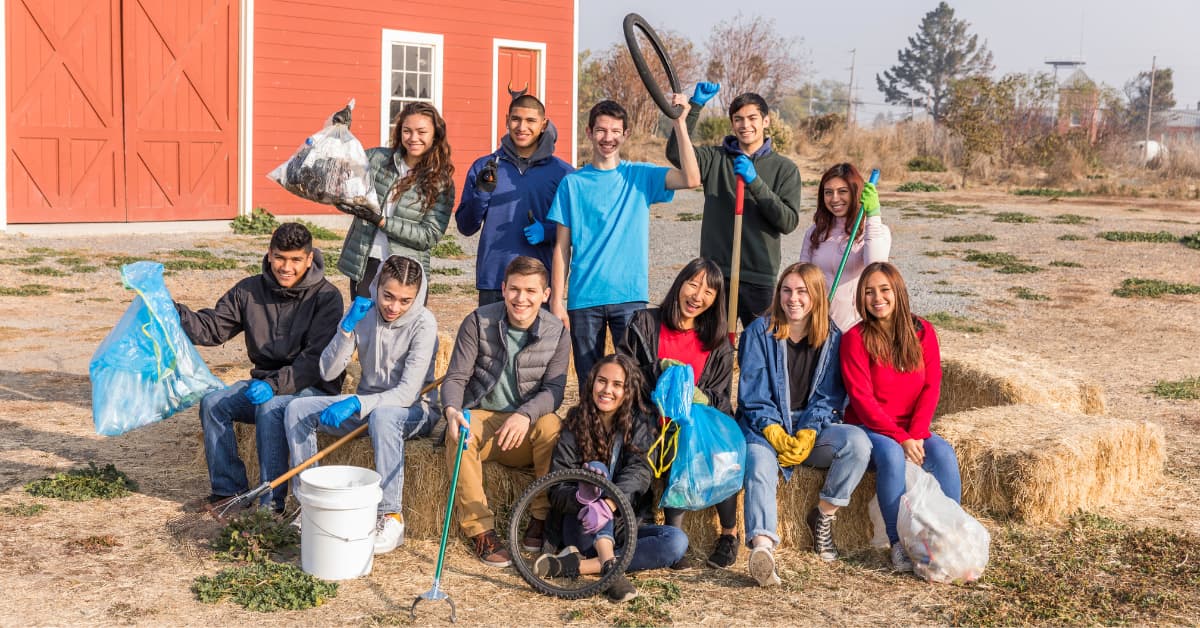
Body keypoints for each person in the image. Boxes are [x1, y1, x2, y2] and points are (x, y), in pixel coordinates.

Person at [175, 223, 344, 511]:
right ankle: (229, 493)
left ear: (310, 258)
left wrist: (274, 386)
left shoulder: (327, 297)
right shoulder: (249, 290)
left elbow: (314, 361)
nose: (286, 267)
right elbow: (213, 328)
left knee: (271, 408)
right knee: (213, 403)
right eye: (279, 257)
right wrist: (174, 313)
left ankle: (271, 504)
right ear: (269, 255)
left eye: (295, 260)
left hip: (311, 387)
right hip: (265, 383)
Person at [281, 255, 438, 555]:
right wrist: (346, 329)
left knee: (383, 417)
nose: (394, 307)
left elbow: (406, 394)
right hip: (367, 405)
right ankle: (309, 506)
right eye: (388, 296)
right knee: (296, 410)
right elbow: (327, 371)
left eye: (405, 300)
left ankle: (391, 515)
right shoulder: (363, 313)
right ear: (376, 285)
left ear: (417, 297)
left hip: (414, 411)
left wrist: (356, 401)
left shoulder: (424, 323)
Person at [549, 97, 701, 390]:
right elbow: (561, 247)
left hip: (629, 297)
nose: (608, 138)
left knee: (633, 383)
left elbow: (692, 178)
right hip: (584, 299)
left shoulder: (640, 176)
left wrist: (680, 123)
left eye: (615, 131)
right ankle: (592, 436)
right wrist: (557, 300)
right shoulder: (572, 184)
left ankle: (629, 437)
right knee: (589, 384)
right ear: (589, 132)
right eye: (602, 130)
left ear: (625, 134)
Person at [737, 262, 870, 586]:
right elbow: (753, 395)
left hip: (811, 428)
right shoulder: (759, 331)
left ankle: (823, 515)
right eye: (786, 290)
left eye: (801, 292)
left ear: (815, 297)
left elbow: (829, 397)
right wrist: (773, 431)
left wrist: (810, 430)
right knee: (757, 464)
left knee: (857, 444)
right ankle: (763, 548)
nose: (792, 299)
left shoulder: (832, 337)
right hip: (764, 427)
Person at [440, 255, 569, 567]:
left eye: (530, 291)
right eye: (514, 289)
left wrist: (525, 414)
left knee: (552, 426)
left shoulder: (558, 332)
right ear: (503, 288)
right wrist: (452, 411)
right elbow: (455, 377)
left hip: (523, 427)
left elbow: (554, 391)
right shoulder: (478, 321)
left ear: (546, 295)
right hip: (484, 418)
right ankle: (481, 530)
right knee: (461, 431)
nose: (521, 299)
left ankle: (540, 518)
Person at [839, 261, 961, 573]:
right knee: (892, 457)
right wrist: (901, 438)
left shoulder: (923, 332)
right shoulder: (855, 338)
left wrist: (917, 433)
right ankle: (898, 544)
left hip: (912, 428)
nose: (876, 298)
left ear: (898, 292)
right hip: (871, 426)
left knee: (944, 453)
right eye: (868, 292)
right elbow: (862, 399)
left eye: (884, 289)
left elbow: (932, 385)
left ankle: (949, 534)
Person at [536, 354, 688, 603]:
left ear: (628, 390)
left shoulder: (641, 422)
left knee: (676, 541)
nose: (607, 390)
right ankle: (610, 567)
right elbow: (556, 487)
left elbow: (641, 472)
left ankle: (579, 566)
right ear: (591, 383)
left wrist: (607, 505)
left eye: (617, 384)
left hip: (624, 524)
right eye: (602, 381)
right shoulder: (575, 422)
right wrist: (581, 499)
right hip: (581, 525)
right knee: (597, 472)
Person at [616, 258, 736, 569]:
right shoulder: (644, 323)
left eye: (709, 291)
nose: (698, 296)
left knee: (719, 450)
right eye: (693, 284)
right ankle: (658, 533)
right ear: (679, 284)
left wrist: (697, 395)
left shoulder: (718, 344)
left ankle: (728, 534)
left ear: (715, 300)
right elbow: (622, 375)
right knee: (652, 446)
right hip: (646, 418)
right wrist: (658, 371)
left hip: (692, 424)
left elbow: (722, 400)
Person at [666, 84, 802, 331]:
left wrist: (755, 183)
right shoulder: (714, 158)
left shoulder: (785, 169)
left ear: (766, 121)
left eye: (752, 118)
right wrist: (694, 108)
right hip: (716, 275)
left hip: (760, 278)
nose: (745, 125)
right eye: (738, 119)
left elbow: (788, 222)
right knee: (713, 346)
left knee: (760, 349)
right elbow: (677, 154)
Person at [456, 94, 575, 306]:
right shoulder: (484, 167)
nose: (522, 127)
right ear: (506, 120)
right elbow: (466, 227)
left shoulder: (563, 173)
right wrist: (482, 193)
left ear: (543, 124)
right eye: (515, 119)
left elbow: (578, 229)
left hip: (538, 283)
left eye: (531, 121)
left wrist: (548, 232)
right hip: (494, 280)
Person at [333, 102, 456, 297]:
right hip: (367, 262)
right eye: (407, 131)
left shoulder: (440, 182)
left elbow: (429, 236)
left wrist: (381, 221)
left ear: (436, 134)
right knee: (363, 325)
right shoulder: (376, 159)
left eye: (421, 132)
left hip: (406, 270)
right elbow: (339, 186)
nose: (413, 138)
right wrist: (338, 134)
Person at [800, 163, 892, 331]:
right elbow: (803, 278)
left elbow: (875, 266)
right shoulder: (815, 232)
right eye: (828, 192)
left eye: (843, 191)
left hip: (857, 329)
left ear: (856, 193)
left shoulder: (875, 230)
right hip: (820, 325)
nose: (834, 199)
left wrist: (873, 215)